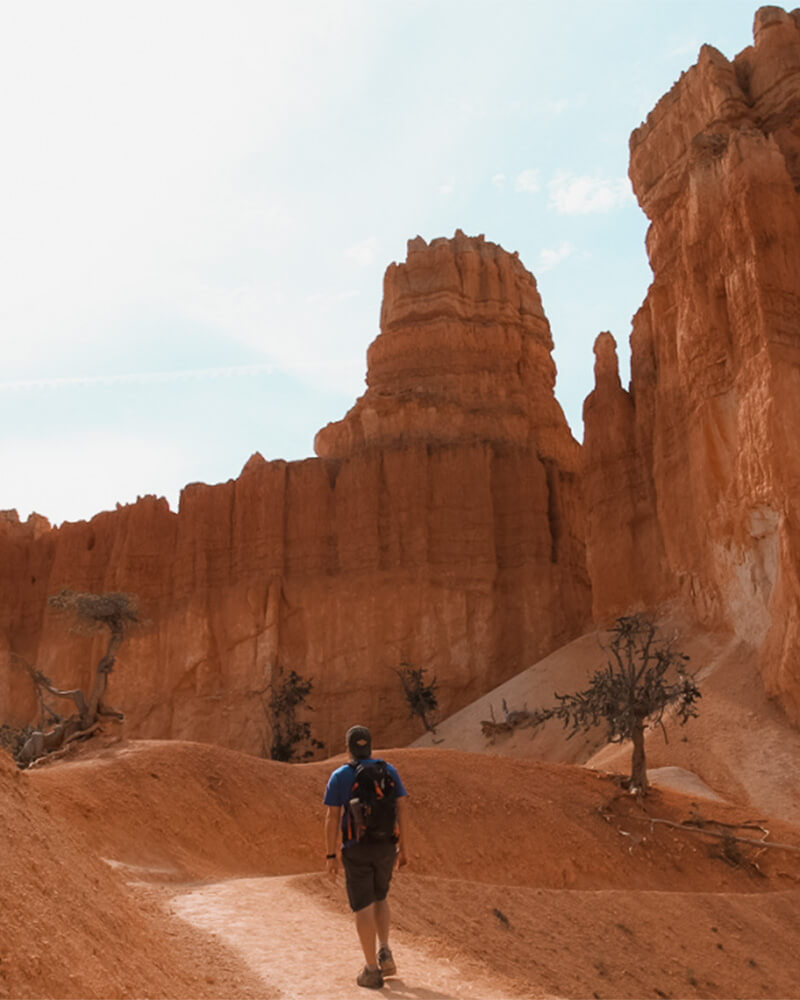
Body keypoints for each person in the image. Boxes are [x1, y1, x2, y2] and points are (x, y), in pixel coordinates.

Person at [324, 724, 408, 990]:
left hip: (356, 848)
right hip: (386, 846)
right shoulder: (389, 771)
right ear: (370, 745)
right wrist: (405, 847)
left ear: (348, 748)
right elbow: (402, 809)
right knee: (381, 897)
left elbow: (332, 817)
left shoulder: (340, 776)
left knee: (363, 906)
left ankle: (371, 970)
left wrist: (330, 854)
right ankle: (385, 951)